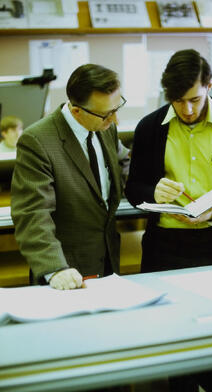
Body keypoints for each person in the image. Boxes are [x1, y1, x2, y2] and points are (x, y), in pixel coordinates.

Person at [125, 49, 212, 391]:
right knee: (175, 351)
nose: (187, 110)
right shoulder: (150, 127)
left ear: (210, 86)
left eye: (194, 99)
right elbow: (134, 189)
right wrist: (152, 191)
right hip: (165, 251)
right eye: (177, 101)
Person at [11, 63, 130, 290]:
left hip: (108, 261)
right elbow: (33, 214)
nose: (115, 120)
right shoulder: (38, 140)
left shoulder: (106, 128)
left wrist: (154, 187)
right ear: (77, 111)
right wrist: (54, 268)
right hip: (65, 272)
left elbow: (123, 163)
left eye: (117, 108)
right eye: (107, 114)